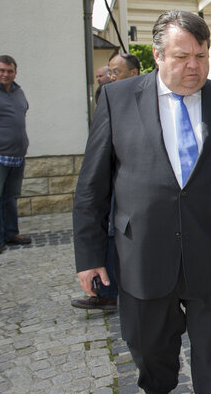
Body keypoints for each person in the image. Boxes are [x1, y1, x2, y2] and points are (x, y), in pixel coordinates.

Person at [73, 10, 211, 393]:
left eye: (201, 55)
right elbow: (93, 187)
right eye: (182, 57)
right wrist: (90, 257)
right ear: (158, 55)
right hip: (142, 257)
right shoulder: (117, 99)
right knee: (150, 357)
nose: (194, 66)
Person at [73, 55, 142, 311]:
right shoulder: (108, 97)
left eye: (116, 72)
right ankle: (107, 288)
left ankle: (112, 289)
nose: (111, 77)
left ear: (134, 73)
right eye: (109, 73)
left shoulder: (144, 102)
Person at [0, 55, 31, 255]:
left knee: (10, 197)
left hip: (16, 154)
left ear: (15, 72)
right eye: (1, 70)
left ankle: (11, 233)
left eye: (9, 71)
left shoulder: (18, 91)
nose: (5, 74)